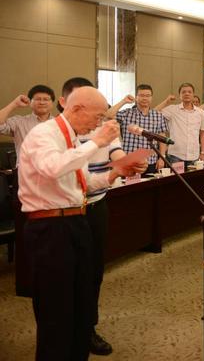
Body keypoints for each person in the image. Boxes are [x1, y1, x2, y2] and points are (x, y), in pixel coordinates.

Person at [19, 86, 144, 360]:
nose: (99, 123)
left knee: (81, 304)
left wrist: (114, 174)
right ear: (76, 109)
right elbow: (53, 168)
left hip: (76, 221)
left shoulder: (74, 140)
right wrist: (97, 142)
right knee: (56, 311)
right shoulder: (44, 134)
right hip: (50, 229)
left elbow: (82, 184)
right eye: (97, 116)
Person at [107, 84, 169, 172]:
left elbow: (162, 138)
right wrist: (124, 101)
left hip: (151, 161)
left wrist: (162, 157)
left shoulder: (158, 115)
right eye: (141, 95)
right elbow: (108, 115)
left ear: (151, 98)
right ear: (136, 97)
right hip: (129, 161)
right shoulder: (127, 113)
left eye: (148, 95)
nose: (145, 98)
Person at [0, 84, 55, 159]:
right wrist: (14, 104)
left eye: (46, 99)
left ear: (52, 103)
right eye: (37, 99)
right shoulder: (19, 122)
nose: (42, 102)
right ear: (30, 102)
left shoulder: (59, 123)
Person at [161, 83, 204, 168]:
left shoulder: (200, 112)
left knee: (194, 177)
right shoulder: (172, 109)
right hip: (175, 155)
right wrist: (167, 101)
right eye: (183, 92)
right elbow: (154, 112)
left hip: (194, 155)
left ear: (193, 95)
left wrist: (203, 152)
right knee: (177, 177)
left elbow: (203, 133)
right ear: (180, 95)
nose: (187, 94)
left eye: (189, 92)